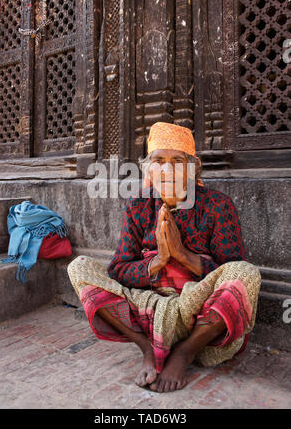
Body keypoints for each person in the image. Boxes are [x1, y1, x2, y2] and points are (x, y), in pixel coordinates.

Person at [67, 122, 261, 393]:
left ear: (192, 169)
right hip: (147, 311)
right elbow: (118, 270)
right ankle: (148, 348)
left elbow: (230, 270)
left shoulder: (217, 206)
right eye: (159, 161)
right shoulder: (138, 205)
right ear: (149, 169)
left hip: (198, 314)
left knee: (246, 274)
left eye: (177, 161)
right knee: (80, 267)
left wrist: (182, 255)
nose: (168, 170)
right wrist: (156, 262)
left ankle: (184, 352)